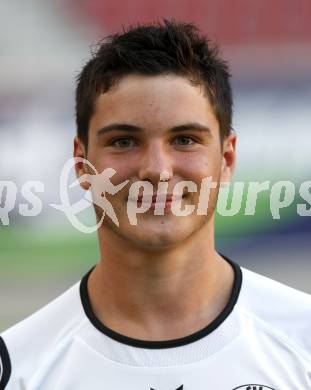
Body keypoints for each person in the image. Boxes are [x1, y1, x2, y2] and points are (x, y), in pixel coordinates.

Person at [0, 20, 310, 390]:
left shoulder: (302, 340)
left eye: (184, 139)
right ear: (82, 166)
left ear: (226, 160)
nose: (157, 170)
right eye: (124, 142)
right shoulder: (17, 367)